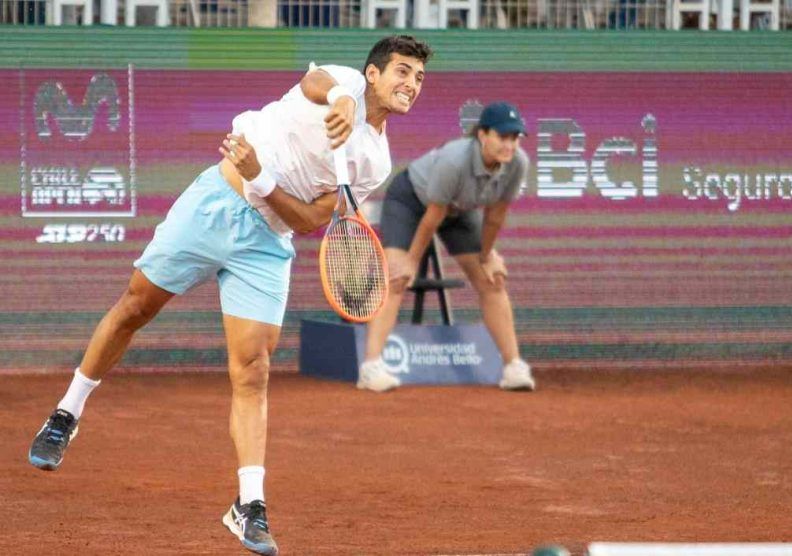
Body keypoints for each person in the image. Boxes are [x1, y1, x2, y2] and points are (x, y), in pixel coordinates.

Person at [27, 35, 433, 556]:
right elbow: (316, 82)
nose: (411, 85)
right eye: (402, 71)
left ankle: (249, 504)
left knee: (253, 368)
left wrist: (262, 178)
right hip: (216, 202)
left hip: (266, 242)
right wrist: (343, 100)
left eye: (419, 78)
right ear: (374, 74)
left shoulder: (374, 161)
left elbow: (310, 219)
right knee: (135, 307)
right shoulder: (346, 83)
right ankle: (67, 412)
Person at [358, 101, 535, 394]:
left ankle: (513, 366)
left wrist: (487, 254)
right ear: (482, 135)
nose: (510, 145)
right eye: (503, 137)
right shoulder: (455, 160)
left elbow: (495, 215)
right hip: (412, 202)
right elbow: (431, 218)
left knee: (493, 279)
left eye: (515, 138)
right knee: (396, 277)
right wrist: (411, 262)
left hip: (458, 210)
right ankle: (370, 366)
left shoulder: (518, 163)